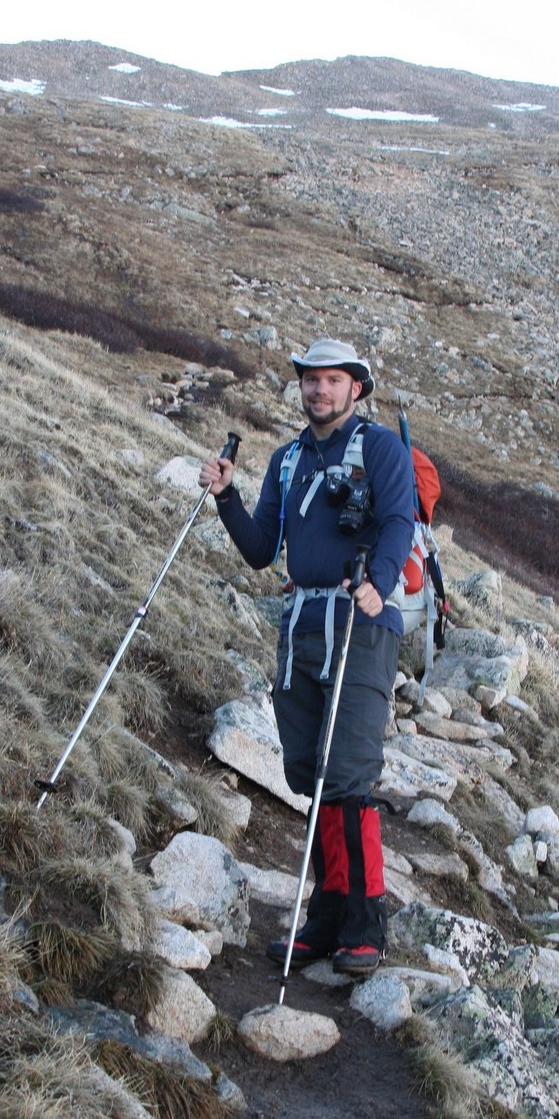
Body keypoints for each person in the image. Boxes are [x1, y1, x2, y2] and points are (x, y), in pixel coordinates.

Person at [199, 338, 416, 975]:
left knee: (346, 770)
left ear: (357, 389)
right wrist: (228, 497)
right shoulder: (289, 459)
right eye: (311, 381)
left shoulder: (379, 449)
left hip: (361, 619)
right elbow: (263, 550)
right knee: (307, 770)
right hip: (301, 623)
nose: (319, 390)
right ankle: (327, 912)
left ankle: (365, 923)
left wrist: (378, 580)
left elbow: (400, 518)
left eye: (332, 381)